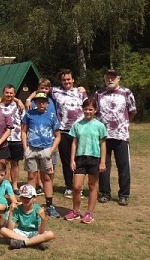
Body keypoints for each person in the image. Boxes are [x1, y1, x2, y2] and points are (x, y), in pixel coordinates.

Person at [95, 69, 136, 206]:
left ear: (118, 78)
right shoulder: (99, 93)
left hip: (121, 136)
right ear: (104, 78)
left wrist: (123, 124)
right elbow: (94, 111)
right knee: (103, 166)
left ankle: (124, 195)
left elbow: (132, 111)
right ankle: (105, 193)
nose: (110, 79)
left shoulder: (126, 92)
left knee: (124, 166)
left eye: (113, 77)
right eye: (108, 77)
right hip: (103, 136)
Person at [64, 99, 107, 224]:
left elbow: (103, 144)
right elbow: (74, 143)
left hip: (94, 158)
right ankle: (75, 211)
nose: (88, 111)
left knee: (92, 186)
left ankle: (89, 213)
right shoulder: (77, 125)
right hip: (80, 159)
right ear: (82, 109)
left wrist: (103, 161)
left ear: (95, 110)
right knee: (76, 187)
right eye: (86, 109)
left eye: (90, 109)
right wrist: (72, 160)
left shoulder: (100, 126)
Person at [21, 92, 61, 218]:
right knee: (31, 176)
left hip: (46, 149)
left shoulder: (52, 115)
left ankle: (49, 205)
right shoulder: (29, 114)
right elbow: (23, 131)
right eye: (38, 101)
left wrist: (51, 150)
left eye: (43, 101)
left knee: (47, 177)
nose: (41, 103)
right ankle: (30, 204)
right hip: (32, 149)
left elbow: (58, 136)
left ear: (47, 103)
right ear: (35, 103)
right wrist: (25, 148)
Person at [49, 69, 88, 198]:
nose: (66, 81)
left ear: (73, 79)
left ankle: (79, 187)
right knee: (66, 160)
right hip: (63, 131)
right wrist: (26, 99)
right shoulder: (55, 91)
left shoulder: (80, 92)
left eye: (68, 79)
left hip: (79, 131)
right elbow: (40, 89)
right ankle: (69, 187)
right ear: (60, 81)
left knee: (79, 160)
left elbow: (88, 107)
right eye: (64, 80)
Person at [0, 184, 55, 250]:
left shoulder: (38, 209)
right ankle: (34, 242)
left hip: (35, 232)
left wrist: (43, 219)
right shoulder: (17, 208)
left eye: (28, 198)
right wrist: (11, 212)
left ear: (34, 198)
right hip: (21, 232)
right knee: (3, 230)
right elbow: (10, 228)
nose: (25, 199)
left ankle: (23, 243)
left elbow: (41, 231)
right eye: (23, 197)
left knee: (50, 234)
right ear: (20, 198)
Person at [0, 85, 25, 191]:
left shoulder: (19, 106)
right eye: (7, 92)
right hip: (3, 139)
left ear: (14, 94)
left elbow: (24, 123)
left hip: (16, 139)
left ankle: (14, 186)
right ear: (3, 93)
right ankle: (5, 186)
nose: (9, 95)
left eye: (11, 93)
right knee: (3, 163)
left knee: (14, 163)